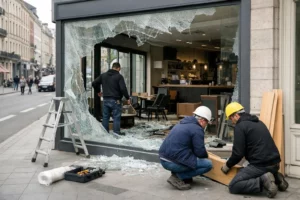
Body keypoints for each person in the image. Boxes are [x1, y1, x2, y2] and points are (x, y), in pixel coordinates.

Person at [221, 102, 289, 198]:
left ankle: (263, 181)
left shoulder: (240, 127)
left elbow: (238, 153)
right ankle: (277, 177)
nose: (232, 122)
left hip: (261, 165)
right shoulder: (259, 122)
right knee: (255, 168)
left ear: (236, 115)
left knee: (233, 186)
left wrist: (227, 165)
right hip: (275, 163)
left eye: (231, 118)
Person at [159, 106, 213, 190]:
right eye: (206, 123)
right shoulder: (197, 129)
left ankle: (180, 173)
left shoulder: (182, 122)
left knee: (192, 158)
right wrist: (207, 155)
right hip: (172, 162)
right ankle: (178, 176)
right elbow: (200, 152)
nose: (206, 125)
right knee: (208, 164)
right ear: (202, 121)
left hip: (164, 158)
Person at [92, 62, 130, 136]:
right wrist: (127, 98)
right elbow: (123, 88)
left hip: (105, 100)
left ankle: (105, 134)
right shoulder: (119, 76)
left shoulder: (103, 75)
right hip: (116, 100)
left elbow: (94, 83)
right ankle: (116, 134)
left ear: (112, 67)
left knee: (105, 117)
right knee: (116, 117)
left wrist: (98, 91)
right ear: (118, 68)